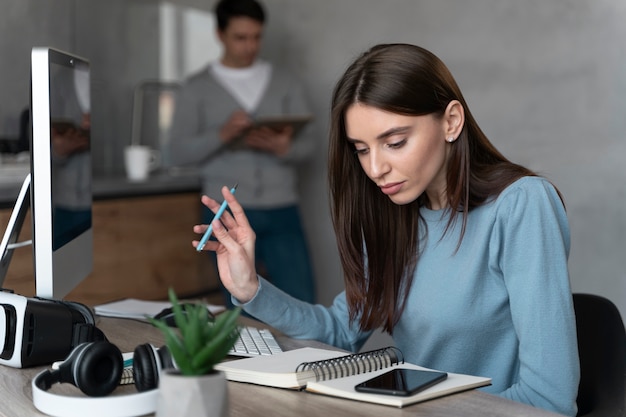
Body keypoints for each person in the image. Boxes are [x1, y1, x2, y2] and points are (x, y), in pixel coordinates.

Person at [194, 44, 580, 416]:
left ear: (451, 121)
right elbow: (341, 331)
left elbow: (548, 398)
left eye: (394, 142)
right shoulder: (393, 217)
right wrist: (250, 289)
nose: (375, 168)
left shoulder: (521, 205)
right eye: (361, 149)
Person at [169, 0, 317, 304]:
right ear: (220, 34)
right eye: (240, 37)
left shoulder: (286, 82)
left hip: (282, 208)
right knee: (241, 305)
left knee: (301, 298)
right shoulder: (195, 88)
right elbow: (175, 153)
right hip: (225, 212)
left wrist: (284, 147)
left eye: (256, 37)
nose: (250, 46)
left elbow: (311, 145)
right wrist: (221, 134)